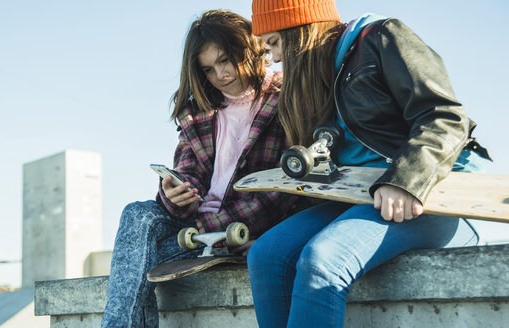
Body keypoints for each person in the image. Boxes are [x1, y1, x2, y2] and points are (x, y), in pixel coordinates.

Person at [246, 0, 492, 327]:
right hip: (356, 194)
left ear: (299, 30)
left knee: (323, 260)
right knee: (266, 255)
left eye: (275, 42)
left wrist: (405, 181)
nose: (274, 57)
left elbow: (444, 117)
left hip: (427, 191)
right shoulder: (315, 78)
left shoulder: (381, 37)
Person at [101, 9, 308, 328]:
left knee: (138, 262)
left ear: (250, 47)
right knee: (136, 214)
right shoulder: (198, 110)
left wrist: (207, 224)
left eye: (225, 60)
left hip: (238, 229)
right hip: (195, 229)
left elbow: (280, 190)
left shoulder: (286, 96)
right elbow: (189, 175)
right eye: (209, 69)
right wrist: (174, 195)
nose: (221, 74)